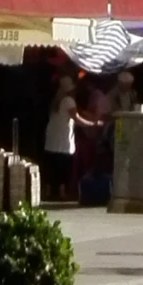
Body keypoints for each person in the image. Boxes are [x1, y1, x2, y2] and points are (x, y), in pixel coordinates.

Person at [42, 72, 82, 202]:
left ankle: (48, 191)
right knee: (64, 165)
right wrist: (94, 124)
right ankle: (62, 192)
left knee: (52, 164)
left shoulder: (55, 100)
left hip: (52, 136)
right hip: (63, 138)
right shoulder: (69, 101)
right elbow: (76, 118)